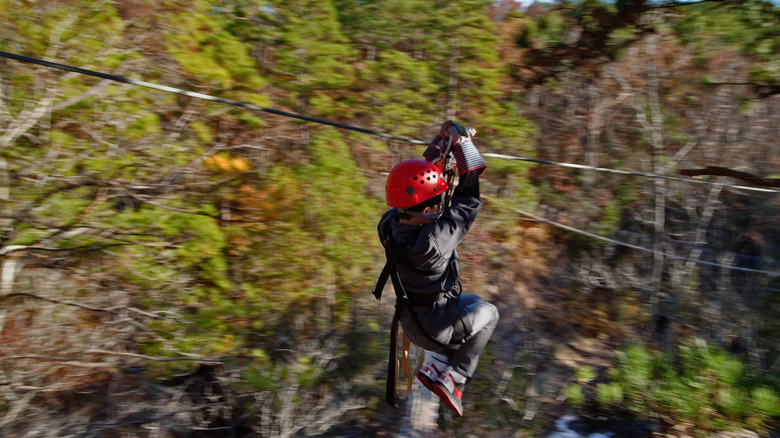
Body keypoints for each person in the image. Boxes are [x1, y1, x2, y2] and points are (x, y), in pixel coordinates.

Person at [375, 121, 499, 416]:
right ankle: (455, 377)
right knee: (491, 313)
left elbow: (414, 182)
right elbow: (467, 203)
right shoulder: (431, 241)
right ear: (429, 210)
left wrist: (441, 141)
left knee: (472, 302)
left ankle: (435, 368)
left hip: (413, 320)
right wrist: (463, 146)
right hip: (435, 329)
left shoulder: (388, 225)